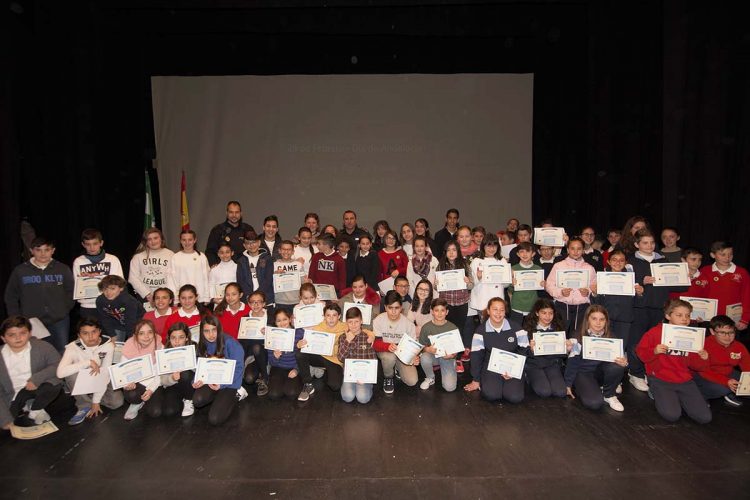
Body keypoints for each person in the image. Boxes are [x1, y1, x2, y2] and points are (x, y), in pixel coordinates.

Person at [627, 229, 688, 392]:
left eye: (652, 242)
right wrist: (641, 280)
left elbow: (680, 286)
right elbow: (623, 283)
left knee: (656, 344)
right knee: (636, 343)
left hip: (659, 308)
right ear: (636, 244)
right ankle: (636, 374)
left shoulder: (664, 260)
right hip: (638, 308)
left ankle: (650, 372)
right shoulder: (630, 262)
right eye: (645, 243)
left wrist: (685, 275)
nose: (649, 246)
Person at [635, 299, 711, 423]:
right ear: (667, 316)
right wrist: (654, 351)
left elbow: (696, 366)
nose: (684, 319)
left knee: (704, 418)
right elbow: (641, 354)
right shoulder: (655, 333)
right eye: (679, 315)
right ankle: (655, 391)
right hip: (661, 379)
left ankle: (678, 398)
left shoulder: (692, 335)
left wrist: (703, 358)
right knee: (672, 415)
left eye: (687, 315)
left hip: (684, 379)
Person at [0, 316, 76, 429]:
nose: (18, 338)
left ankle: (35, 407)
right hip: (12, 397)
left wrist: (36, 378)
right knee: (8, 423)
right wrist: (5, 419)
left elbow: (58, 365)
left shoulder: (42, 346)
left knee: (54, 383)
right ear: (3, 338)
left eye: (23, 333)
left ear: (30, 333)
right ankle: (27, 406)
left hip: (34, 388)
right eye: (12, 335)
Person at [4, 236, 75, 352]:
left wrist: (63, 309)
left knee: (62, 351)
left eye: (47, 250)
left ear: (53, 251)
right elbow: (10, 296)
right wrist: (17, 318)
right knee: (36, 352)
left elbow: (71, 292)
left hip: (59, 320)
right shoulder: (20, 271)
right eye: (38, 250)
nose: (43, 254)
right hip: (31, 321)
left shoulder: (62, 269)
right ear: (31, 251)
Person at [57, 317, 124, 425]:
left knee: (117, 403)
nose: (91, 336)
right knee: (70, 374)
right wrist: (87, 363)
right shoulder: (72, 347)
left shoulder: (108, 346)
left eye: (94, 332)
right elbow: (60, 373)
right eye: (85, 333)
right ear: (79, 335)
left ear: (99, 332)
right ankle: (84, 405)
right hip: (82, 378)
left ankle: (92, 398)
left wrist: (96, 401)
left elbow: (105, 374)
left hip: (102, 377)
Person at [564, 305, 628, 412]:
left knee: (617, 366)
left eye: (602, 319)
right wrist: (567, 384)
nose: (598, 323)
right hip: (583, 373)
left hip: (600, 372)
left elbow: (620, 361)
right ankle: (590, 387)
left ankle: (609, 394)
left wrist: (624, 363)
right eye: (594, 319)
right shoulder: (578, 336)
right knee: (594, 403)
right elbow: (572, 363)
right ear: (587, 319)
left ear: (606, 321)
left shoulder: (611, 337)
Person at [464, 297, 527, 403]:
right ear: (488, 311)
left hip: (512, 367)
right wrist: (476, 380)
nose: (498, 313)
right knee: (492, 395)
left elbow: (525, 350)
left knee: (514, 397)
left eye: (502, 310)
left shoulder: (516, 328)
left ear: (505, 312)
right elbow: (476, 357)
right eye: (495, 309)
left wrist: (514, 370)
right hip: (491, 367)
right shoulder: (480, 331)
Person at [192, 315, 246, 425]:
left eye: (214, 330)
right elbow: (199, 367)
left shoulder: (231, 343)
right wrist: (195, 381)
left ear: (219, 329)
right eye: (206, 331)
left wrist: (222, 385)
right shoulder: (202, 345)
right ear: (202, 332)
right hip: (211, 380)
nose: (210, 335)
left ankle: (238, 393)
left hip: (229, 382)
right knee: (197, 400)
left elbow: (239, 368)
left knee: (215, 419)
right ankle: (219, 397)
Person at [692, 315, 750, 406]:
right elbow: (704, 371)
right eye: (722, 332)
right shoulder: (703, 345)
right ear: (712, 331)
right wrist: (726, 381)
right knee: (724, 389)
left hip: (728, 372)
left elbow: (747, 366)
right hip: (704, 375)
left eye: (731, 332)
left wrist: (747, 381)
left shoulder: (738, 346)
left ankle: (729, 393)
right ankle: (702, 395)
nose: (727, 336)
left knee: (744, 383)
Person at [295, 302, 347, 401]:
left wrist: (371, 335)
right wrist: (299, 344)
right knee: (300, 353)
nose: (331, 318)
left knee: (335, 386)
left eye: (334, 315)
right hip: (320, 357)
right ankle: (308, 383)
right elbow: (307, 343)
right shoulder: (318, 327)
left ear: (339, 316)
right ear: (324, 316)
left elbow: (362, 331)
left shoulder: (345, 327)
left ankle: (332, 372)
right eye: (328, 315)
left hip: (335, 360)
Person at [545, 237, 596, 336]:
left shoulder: (589, 268)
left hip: (582, 308)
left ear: (583, 250)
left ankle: (576, 352)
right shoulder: (558, 266)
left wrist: (588, 291)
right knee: (560, 335)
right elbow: (549, 285)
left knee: (579, 336)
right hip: (562, 306)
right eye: (572, 248)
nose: (575, 252)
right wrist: (560, 292)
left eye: (579, 248)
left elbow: (595, 286)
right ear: (568, 250)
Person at [435, 240, 473, 373]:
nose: (451, 253)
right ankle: (444, 356)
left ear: (458, 251)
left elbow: (471, 285)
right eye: (448, 250)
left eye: (454, 250)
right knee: (446, 330)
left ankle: (456, 358)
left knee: (459, 330)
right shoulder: (440, 266)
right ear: (445, 252)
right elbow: (437, 286)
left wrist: (468, 282)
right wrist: (436, 284)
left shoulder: (465, 265)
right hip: (446, 303)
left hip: (461, 303)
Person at [591, 249, 644, 342]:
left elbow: (637, 303)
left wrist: (639, 294)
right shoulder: (602, 278)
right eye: (614, 260)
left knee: (621, 348)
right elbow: (596, 304)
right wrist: (595, 293)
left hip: (624, 320)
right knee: (605, 347)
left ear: (626, 262)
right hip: (605, 320)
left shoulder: (631, 279)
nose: (618, 263)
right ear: (608, 261)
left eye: (621, 260)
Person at [372, 291, 419, 394]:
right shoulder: (378, 320)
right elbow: (375, 344)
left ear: (401, 308)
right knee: (389, 357)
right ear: (385, 307)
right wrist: (387, 346)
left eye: (396, 308)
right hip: (385, 351)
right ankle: (388, 377)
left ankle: (397, 367)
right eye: (390, 308)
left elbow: (413, 347)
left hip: (402, 354)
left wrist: (415, 357)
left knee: (412, 381)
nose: (393, 312)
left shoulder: (408, 324)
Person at [72, 228, 124, 319]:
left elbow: (120, 284)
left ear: (101, 243)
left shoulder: (113, 259)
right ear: (83, 244)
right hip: (88, 307)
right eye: (88, 244)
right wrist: (85, 279)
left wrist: (97, 277)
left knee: (111, 333)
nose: (92, 248)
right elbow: (76, 286)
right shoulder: (78, 261)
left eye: (95, 243)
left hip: (110, 304)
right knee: (90, 333)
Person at [520, 299, 567, 398]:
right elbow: (522, 351)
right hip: (534, 365)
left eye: (551, 313)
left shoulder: (558, 328)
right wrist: (531, 350)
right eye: (544, 313)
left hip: (552, 364)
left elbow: (562, 354)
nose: (548, 316)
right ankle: (528, 376)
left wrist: (566, 348)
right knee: (544, 392)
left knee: (560, 392)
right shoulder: (527, 329)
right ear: (537, 313)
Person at [699, 241, 749, 331]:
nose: (727, 257)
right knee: (708, 344)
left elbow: (747, 297)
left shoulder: (742, 273)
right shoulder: (704, 271)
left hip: (732, 320)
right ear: (712, 255)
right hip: (708, 319)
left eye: (730, 254)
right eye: (723, 254)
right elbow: (698, 294)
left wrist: (745, 318)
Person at [120, 319, 163, 420]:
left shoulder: (159, 345)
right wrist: (127, 384)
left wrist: (151, 390)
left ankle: (146, 400)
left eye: (150, 332)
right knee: (132, 394)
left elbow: (160, 374)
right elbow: (122, 374)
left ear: (154, 333)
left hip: (154, 383)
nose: (146, 336)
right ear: (135, 335)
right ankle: (136, 403)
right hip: (137, 384)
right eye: (141, 333)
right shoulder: (128, 347)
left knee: (155, 412)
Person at [338, 307, 377, 404]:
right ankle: (351, 386)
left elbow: (373, 360)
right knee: (347, 397)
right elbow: (341, 358)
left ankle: (368, 385)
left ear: (361, 321)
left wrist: (367, 378)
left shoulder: (367, 338)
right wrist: (348, 341)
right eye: (350, 322)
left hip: (364, 375)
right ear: (346, 322)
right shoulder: (343, 337)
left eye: (356, 321)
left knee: (363, 398)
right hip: (350, 375)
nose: (353, 325)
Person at [418, 298, 458, 392]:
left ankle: (453, 364)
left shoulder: (453, 327)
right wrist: (428, 349)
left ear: (447, 312)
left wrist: (452, 355)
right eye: (436, 310)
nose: (439, 314)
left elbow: (457, 349)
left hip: (447, 357)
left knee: (450, 388)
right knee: (424, 357)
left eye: (442, 310)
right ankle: (430, 378)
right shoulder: (426, 327)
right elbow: (421, 346)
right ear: (432, 311)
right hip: (433, 356)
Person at [128, 228, 177, 303]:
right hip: (144, 297)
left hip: (165, 296)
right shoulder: (138, 257)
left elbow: (174, 277)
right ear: (145, 242)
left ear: (161, 239)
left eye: (155, 238)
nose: (153, 241)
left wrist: (165, 295)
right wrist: (147, 294)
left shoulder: (170, 254)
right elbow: (132, 278)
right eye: (149, 239)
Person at [158, 322, 197, 417]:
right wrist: (172, 378)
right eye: (173, 338)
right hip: (174, 385)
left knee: (185, 374)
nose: (177, 341)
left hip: (189, 384)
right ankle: (181, 399)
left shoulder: (194, 349)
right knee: (169, 411)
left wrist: (190, 364)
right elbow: (162, 380)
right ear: (169, 338)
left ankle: (189, 399)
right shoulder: (164, 353)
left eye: (181, 337)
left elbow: (201, 372)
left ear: (187, 338)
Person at [266, 309, 303, 400]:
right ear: (275, 322)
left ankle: (300, 383)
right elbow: (271, 362)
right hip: (278, 367)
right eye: (278, 321)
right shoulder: (272, 335)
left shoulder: (299, 333)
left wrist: (296, 370)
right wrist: (275, 357)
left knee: (291, 393)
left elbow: (304, 357)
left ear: (290, 319)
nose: (282, 323)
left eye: (285, 319)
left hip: (294, 367)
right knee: (274, 395)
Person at [95, 275, 145, 341]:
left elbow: (130, 321)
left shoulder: (129, 301)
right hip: (118, 325)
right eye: (105, 289)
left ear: (121, 288)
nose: (108, 292)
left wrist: (131, 338)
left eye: (112, 288)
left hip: (137, 323)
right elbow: (105, 319)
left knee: (136, 343)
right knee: (116, 346)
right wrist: (112, 334)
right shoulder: (100, 301)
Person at [205, 201, 255, 266]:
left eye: (236, 212)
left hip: (245, 269)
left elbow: (255, 248)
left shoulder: (248, 229)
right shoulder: (217, 230)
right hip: (223, 270)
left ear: (241, 213)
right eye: (231, 212)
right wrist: (214, 264)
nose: (234, 215)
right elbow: (210, 252)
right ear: (227, 213)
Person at [240, 291, 270, 397]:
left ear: (264, 303)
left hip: (269, 353)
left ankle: (265, 378)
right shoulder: (244, 319)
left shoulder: (271, 316)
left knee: (257, 347)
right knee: (249, 379)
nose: (256, 305)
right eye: (252, 302)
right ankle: (263, 371)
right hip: (252, 356)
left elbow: (279, 337)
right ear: (248, 304)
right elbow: (242, 343)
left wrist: (269, 333)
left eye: (259, 302)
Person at [236, 230, 275, 308]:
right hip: (248, 300)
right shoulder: (241, 261)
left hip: (266, 299)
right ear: (244, 245)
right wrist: (251, 297)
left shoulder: (267, 258)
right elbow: (241, 281)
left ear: (259, 243)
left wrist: (258, 295)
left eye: (254, 242)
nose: (251, 245)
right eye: (248, 243)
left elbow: (268, 279)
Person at [508, 242, 545, 324]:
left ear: (533, 254)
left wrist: (543, 285)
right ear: (518, 254)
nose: (524, 254)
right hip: (517, 307)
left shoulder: (538, 269)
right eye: (521, 251)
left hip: (532, 306)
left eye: (528, 251)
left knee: (530, 332)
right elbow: (509, 290)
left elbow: (541, 290)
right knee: (517, 332)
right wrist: (511, 283)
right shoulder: (513, 269)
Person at [171, 229, 211, 304]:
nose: (187, 243)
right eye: (184, 240)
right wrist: (176, 299)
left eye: (190, 240)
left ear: (194, 240)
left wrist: (207, 297)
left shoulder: (201, 256)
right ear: (180, 241)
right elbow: (172, 280)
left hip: (200, 298)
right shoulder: (175, 257)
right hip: (183, 299)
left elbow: (207, 278)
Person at [273, 240, 306, 314]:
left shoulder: (298, 264)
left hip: (296, 301)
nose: (286, 252)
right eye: (284, 249)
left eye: (289, 249)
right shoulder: (274, 265)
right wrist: (274, 274)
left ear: (293, 252)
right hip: (280, 301)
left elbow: (304, 282)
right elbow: (269, 283)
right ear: (279, 251)